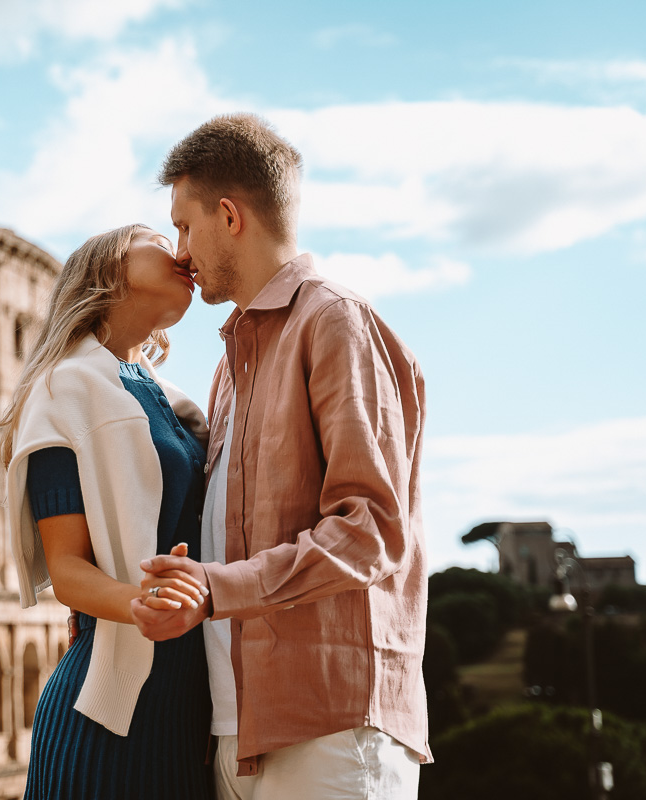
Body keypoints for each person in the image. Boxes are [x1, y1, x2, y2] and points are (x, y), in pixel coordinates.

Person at [133, 114, 431, 800]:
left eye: (184, 225)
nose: (180, 252)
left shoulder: (335, 322)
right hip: (243, 732)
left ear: (229, 215)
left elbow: (371, 530)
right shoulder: (233, 359)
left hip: (332, 733)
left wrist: (215, 590)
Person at [0, 223, 214, 799]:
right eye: (159, 241)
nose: (182, 253)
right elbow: (66, 569)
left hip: (192, 706)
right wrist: (143, 603)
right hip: (108, 717)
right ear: (109, 267)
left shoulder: (172, 397)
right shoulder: (61, 387)